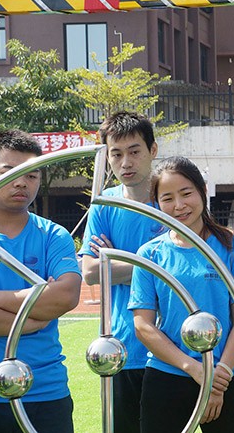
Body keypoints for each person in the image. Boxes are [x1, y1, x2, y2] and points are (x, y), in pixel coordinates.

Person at [129, 156, 234, 433]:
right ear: (157, 203)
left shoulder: (232, 246)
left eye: (186, 193)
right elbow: (142, 326)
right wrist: (195, 369)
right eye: (167, 198)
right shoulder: (150, 254)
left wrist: (218, 375)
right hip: (169, 373)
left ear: (202, 190)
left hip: (227, 375)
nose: (178, 205)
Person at [0, 130, 81, 432]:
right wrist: (33, 318)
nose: (21, 182)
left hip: (46, 389)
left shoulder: (54, 236)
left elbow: (66, 296)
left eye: (32, 175)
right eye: (10, 171)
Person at [79, 111, 165, 433]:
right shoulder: (103, 205)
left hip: (171, 346)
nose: (125, 162)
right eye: (116, 154)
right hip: (123, 348)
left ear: (152, 151)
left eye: (134, 151)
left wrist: (114, 261)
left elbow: (180, 267)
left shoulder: (170, 201)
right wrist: (152, 263)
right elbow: (89, 271)